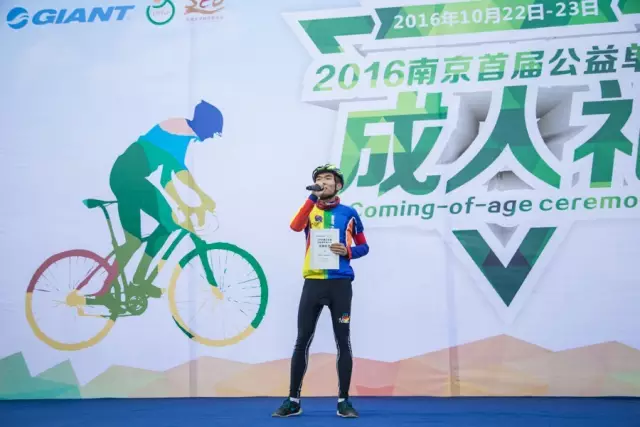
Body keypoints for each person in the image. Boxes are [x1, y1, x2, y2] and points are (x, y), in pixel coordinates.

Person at [272, 164, 370, 418]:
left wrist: (348, 251)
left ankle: (344, 401)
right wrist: (311, 197)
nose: (323, 182)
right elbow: (295, 226)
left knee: (343, 340)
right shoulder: (310, 208)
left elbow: (364, 246)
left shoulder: (349, 213)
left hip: (340, 284)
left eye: (328, 178)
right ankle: (293, 401)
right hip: (313, 283)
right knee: (302, 340)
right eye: (319, 178)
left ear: (339, 185)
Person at [109, 100, 223, 298]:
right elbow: (178, 170)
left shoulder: (183, 134)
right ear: (205, 124)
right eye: (212, 131)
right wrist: (201, 197)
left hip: (127, 178)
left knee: (137, 240)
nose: (211, 137)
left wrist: (183, 204)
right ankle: (128, 284)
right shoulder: (180, 130)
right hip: (130, 179)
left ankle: (123, 285)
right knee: (166, 224)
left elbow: (165, 178)